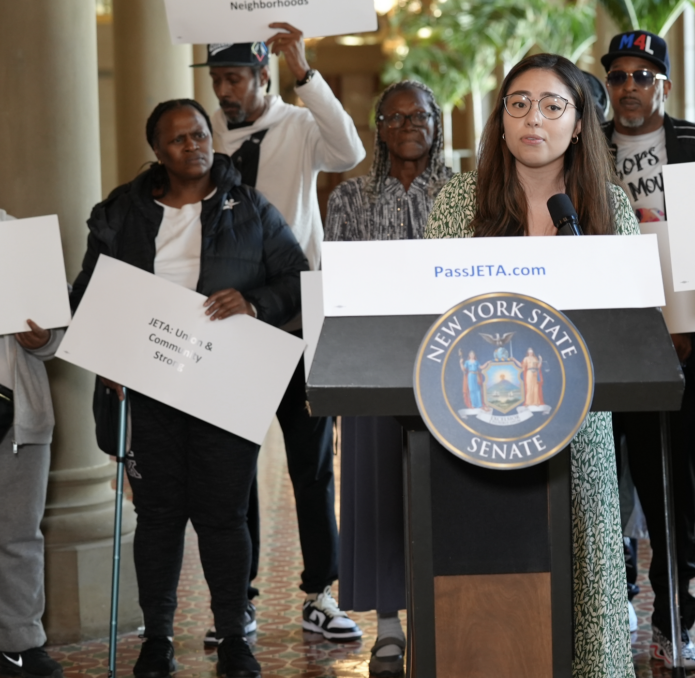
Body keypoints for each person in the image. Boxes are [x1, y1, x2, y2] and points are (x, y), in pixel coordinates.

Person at [70, 99, 307, 678]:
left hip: (221, 388)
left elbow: (298, 277)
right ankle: (157, 640)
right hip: (147, 391)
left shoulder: (249, 207)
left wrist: (254, 303)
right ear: (156, 150)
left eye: (200, 134)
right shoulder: (120, 213)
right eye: (178, 139)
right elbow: (87, 295)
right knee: (157, 518)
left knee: (224, 517)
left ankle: (234, 638)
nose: (194, 145)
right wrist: (107, 355)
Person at [425, 53, 638, 678]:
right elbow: (430, 309)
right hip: (474, 423)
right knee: (491, 584)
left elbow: (630, 321)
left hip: (579, 422)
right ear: (500, 120)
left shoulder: (607, 206)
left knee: (581, 575)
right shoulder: (460, 200)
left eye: (551, 106)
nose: (533, 119)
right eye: (518, 104)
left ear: (579, 123)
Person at [192, 24, 367, 642]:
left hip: (295, 320)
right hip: (227, 326)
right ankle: (236, 600)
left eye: (234, 79)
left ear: (262, 75)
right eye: (217, 80)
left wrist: (305, 74)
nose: (224, 91)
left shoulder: (298, 123)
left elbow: (348, 152)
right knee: (232, 472)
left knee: (312, 469)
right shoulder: (204, 136)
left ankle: (321, 594)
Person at [599, 29, 695, 669]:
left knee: (671, 493)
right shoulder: (586, 144)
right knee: (602, 486)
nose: (629, 87)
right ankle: (615, 600)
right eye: (618, 76)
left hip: (677, 348)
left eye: (642, 76)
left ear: (663, 84)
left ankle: (675, 622)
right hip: (602, 343)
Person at [323, 79, 452, 677]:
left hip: (449, 364)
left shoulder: (463, 194)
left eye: (419, 115)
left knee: (447, 488)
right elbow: (337, 286)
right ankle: (389, 626)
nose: (408, 126)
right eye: (394, 118)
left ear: (436, 123)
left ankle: (445, 610)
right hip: (372, 364)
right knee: (375, 491)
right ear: (377, 128)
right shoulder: (349, 198)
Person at [0, 207, 66, 678]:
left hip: (17, 417)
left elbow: (57, 333)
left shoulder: (19, 239)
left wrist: (42, 338)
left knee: (19, 537)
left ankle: (20, 644)